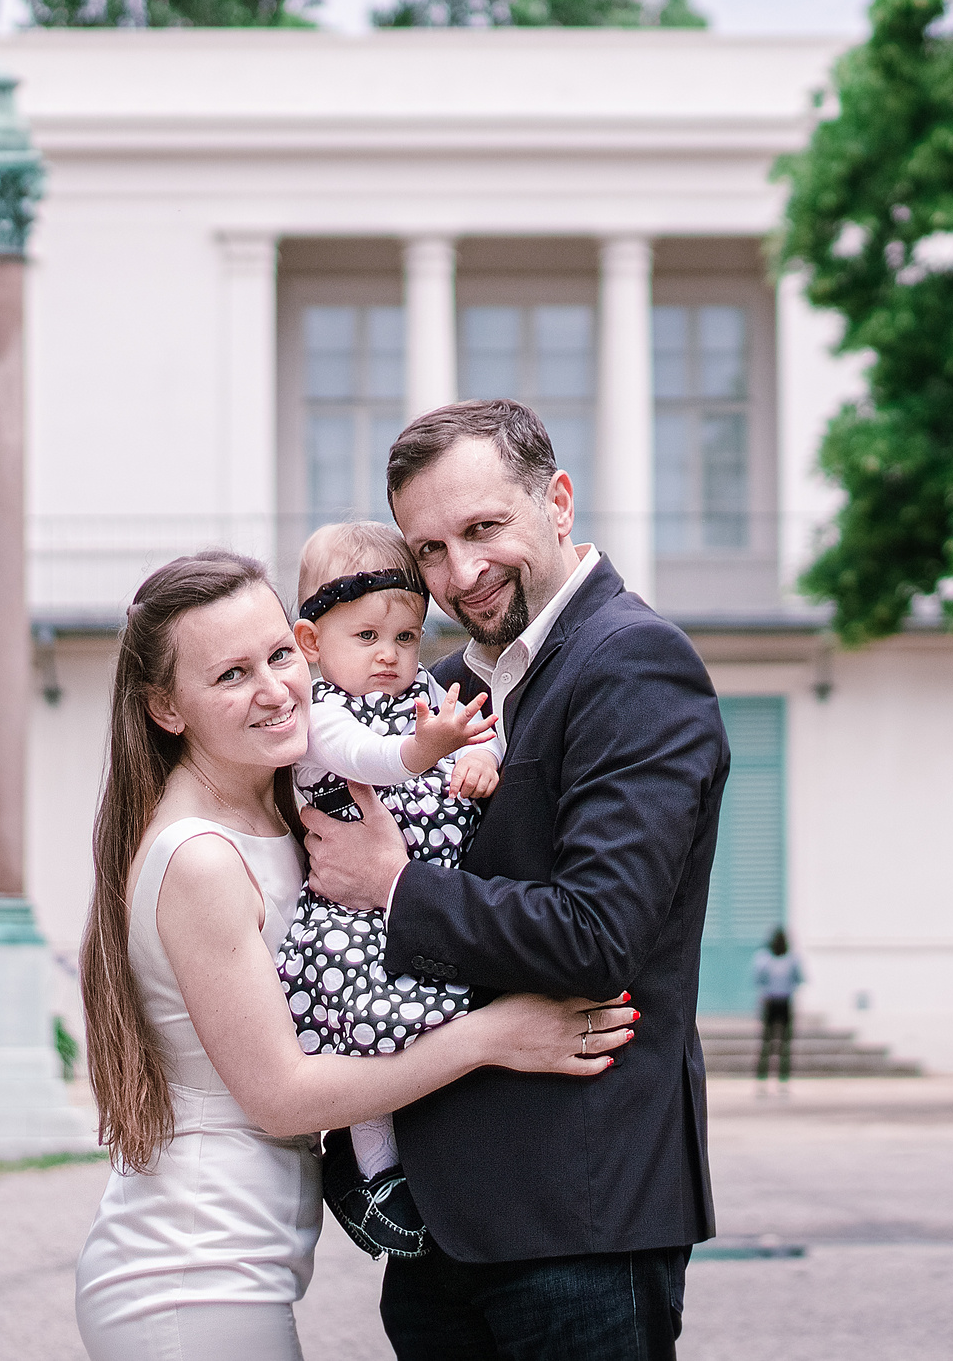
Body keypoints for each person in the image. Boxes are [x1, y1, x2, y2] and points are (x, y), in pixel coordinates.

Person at [72, 551, 638, 1361]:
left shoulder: (285, 806)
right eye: (231, 674)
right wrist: (491, 1036)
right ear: (166, 706)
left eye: (279, 655)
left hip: (237, 1267)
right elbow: (282, 1094)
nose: (274, 688)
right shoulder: (197, 856)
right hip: (189, 1276)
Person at [302, 399, 731, 1361]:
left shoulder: (635, 662)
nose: (462, 573)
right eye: (432, 551)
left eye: (485, 528)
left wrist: (396, 887)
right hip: (438, 1232)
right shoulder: (437, 685)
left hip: (578, 1217)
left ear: (559, 502)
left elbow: (599, 932)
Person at [274, 521, 501, 1260]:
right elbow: (364, 757)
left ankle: (420, 1167)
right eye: (366, 635)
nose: (389, 655)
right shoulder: (321, 713)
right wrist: (426, 749)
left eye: (405, 637)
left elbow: (480, 730)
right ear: (312, 643)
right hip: (349, 921)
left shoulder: (426, 690)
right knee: (366, 1037)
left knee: (429, 1032)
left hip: (421, 899)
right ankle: (372, 1172)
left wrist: (479, 758)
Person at [751, 929, 803, 1091]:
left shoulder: (792, 959)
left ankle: (783, 1079)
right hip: (771, 1003)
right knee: (767, 1042)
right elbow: (758, 979)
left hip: (783, 1002)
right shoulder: (764, 958)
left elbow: (798, 978)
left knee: (784, 1043)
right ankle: (762, 1078)